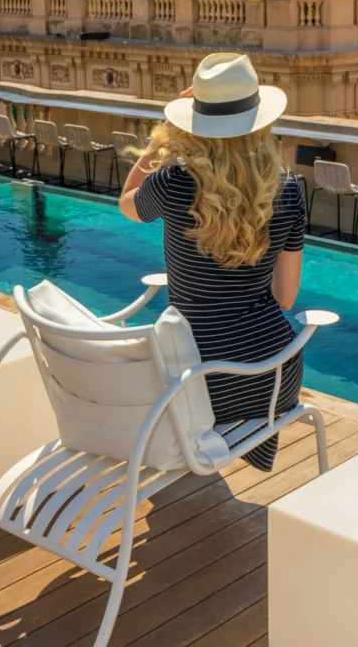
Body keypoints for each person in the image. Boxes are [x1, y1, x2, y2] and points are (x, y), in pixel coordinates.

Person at [119, 52, 304, 471]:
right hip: (271, 375)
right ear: (261, 120)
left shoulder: (175, 181)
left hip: (195, 380)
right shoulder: (290, 189)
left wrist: (163, 138)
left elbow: (126, 202)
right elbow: (286, 298)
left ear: (195, 121)